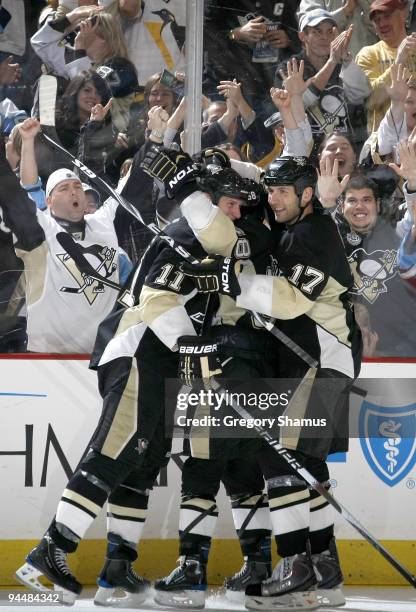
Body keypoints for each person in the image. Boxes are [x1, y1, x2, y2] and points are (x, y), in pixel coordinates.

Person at [141, 147, 362, 609]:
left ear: (305, 195)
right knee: (306, 466)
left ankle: (296, 567)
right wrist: (194, 175)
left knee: (278, 460)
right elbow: (238, 204)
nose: (273, 199)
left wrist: (229, 279)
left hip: (320, 361)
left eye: (284, 192)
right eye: (273, 191)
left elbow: (289, 302)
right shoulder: (289, 229)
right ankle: (325, 571)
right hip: (308, 361)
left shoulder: (312, 231)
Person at [274, 8, 371, 156]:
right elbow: (297, 104)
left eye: (330, 32)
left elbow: (361, 94)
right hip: (307, 154)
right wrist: (332, 62)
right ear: (302, 36)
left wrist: (345, 57)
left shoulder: (343, 63)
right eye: (317, 32)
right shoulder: (290, 67)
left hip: (344, 152)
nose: (324, 37)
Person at [355, 0, 416, 134]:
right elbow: (371, 100)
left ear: (403, 15)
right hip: (385, 143)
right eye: (377, 20)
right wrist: (398, 61)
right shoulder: (367, 54)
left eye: (387, 16)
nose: (382, 24)